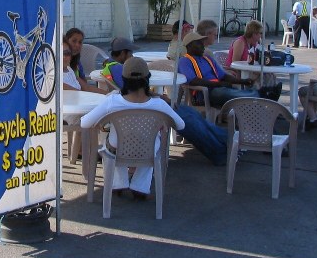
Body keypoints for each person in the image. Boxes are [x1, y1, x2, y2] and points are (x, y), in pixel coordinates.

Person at [81, 57, 185, 200]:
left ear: (123, 79)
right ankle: (140, 186)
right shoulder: (159, 104)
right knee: (152, 143)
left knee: (110, 140)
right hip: (147, 150)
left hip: (117, 150)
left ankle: (118, 183)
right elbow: (181, 125)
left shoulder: (112, 101)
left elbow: (85, 123)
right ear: (148, 78)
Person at [178, 32, 258, 109]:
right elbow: (193, 81)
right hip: (203, 94)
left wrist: (243, 81)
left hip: (218, 89)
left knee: (236, 92)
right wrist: (218, 84)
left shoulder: (207, 58)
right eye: (199, 43)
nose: (203, 46)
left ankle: (255, 95)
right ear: (190, 46)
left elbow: (224, 76)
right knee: (233, 94)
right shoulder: (184, 61)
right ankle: (257, 95)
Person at [225, 20, 280, 95]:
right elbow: (235, 63)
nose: (261, 36)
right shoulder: (240, 42)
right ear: (254, 33)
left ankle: (269, 94)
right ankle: (259, 95)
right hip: (236, 71)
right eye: (260, 33)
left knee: (270, 74)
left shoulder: (254, 44)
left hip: (248, 69)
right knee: (260, 76)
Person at [64, 28, 108, 94]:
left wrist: (109, 95)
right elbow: (79, 92)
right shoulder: (54, 71)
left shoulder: (74, 66)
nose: (77, 45)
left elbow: (86, 87)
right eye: (74, 41)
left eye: (80, 42)